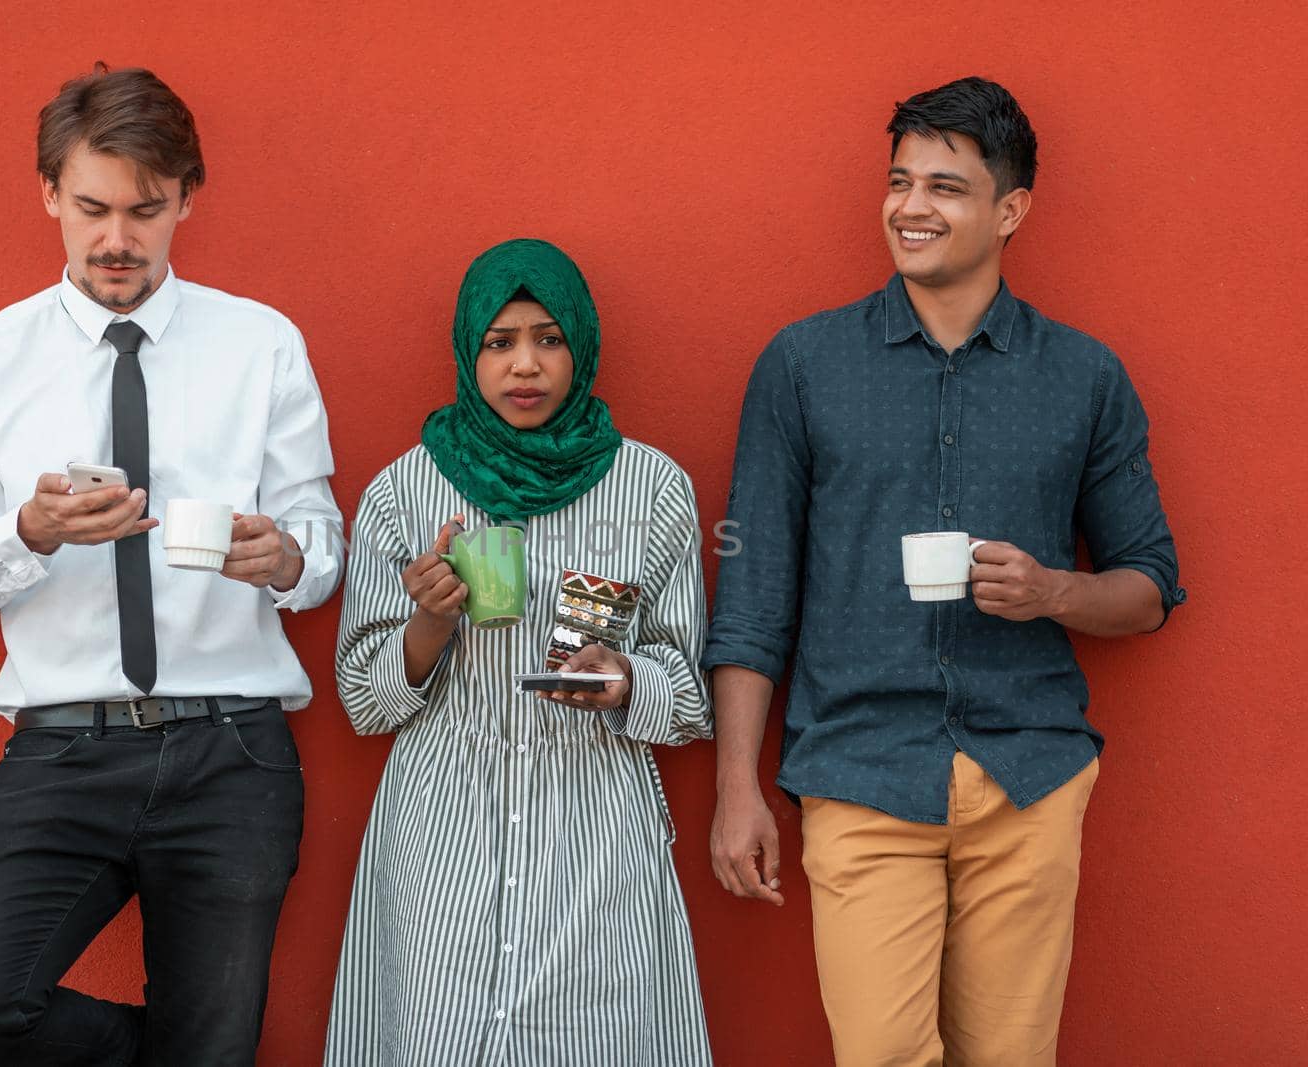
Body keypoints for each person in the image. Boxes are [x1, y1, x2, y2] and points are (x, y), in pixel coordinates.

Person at [706, 77, 1184, 1067]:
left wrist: (1051, 589)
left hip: (1029, 773)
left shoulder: (1083, 376)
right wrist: (734, 787)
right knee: (881, 1053)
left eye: (945, 187)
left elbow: (1147, 585)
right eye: (898, 180)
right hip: (857, 769)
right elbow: (751, 595)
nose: (910, 207)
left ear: (1009, 211)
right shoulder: (802, 365)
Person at [0, 65, 343, 1066]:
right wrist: (31, 531)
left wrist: (285, 558)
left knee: (215, 1043)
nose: (117, 238)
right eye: (93, 207)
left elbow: (322, 545)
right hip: (63, 748)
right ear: (50, 193)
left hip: (231, 748)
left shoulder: (261, 344)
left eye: (145, 210)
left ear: (187, 196)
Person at [324, 238, 714, 1065]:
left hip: (593, 831)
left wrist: (624, 679)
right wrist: (429, 623)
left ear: (582, 344)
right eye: (499, 342)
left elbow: (686, 698)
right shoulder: (406, 489)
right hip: (443, 827)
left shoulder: (651, 488)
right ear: (469, 353)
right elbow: (363, 699)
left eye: (549, 337)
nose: (525, 365)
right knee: (438, 1035)